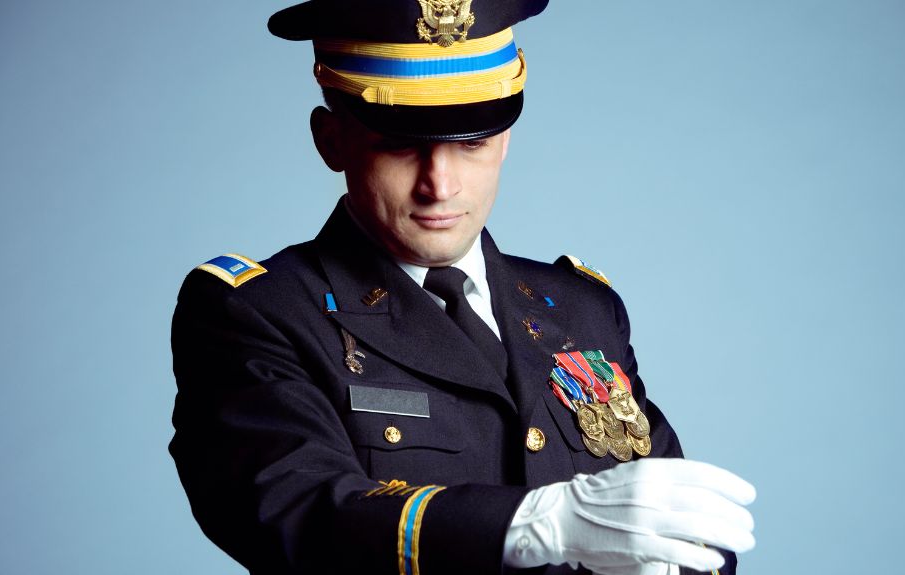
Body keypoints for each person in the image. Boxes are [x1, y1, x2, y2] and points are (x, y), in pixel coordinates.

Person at [169, 1, 756, 574]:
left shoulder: (583, 309)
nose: (440, 185)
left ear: (505, 140)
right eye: (400, 144)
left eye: (471, 143)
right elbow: (298, 510)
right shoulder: (258, 312)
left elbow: (687, 524)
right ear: (332, 140)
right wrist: (527, 526)